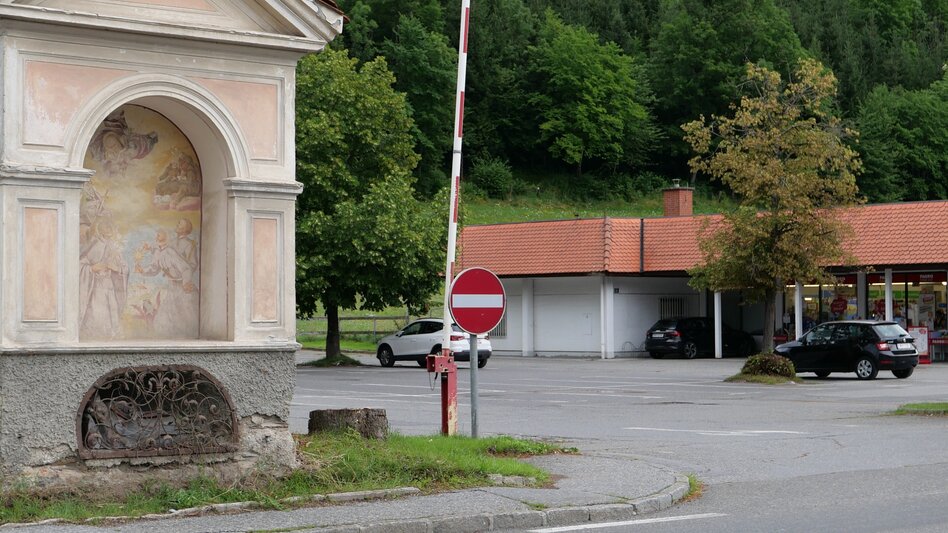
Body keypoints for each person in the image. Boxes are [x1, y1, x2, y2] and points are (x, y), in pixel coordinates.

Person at [135, 226, 199, 338]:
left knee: (186, 314)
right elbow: (154, 269)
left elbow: (186, 268)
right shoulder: (158, 252)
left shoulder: (170, 252)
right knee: (166, 316)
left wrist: (185, 283)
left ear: (166, 236)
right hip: (172, 286)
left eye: (160, 233)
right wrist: (143, 271)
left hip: (182, 288)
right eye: (157, 233)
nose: (157, 235)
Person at [79, 219, 128, 340]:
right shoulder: (96, 245)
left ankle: (112, 335)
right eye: (106, 227)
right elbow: (81, 264)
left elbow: (123, 266)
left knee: (113, 309)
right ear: (101, 230)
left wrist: (117, 268)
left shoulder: (113, 247)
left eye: (110, 227)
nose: (109, 230)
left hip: (109, 283)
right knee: (98, 311)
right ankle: (98, 338)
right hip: (98, 285)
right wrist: (92, 268)